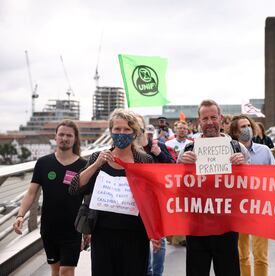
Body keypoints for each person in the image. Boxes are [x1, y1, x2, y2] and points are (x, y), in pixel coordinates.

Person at [69, 109, 160, 276]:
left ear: (134, 133)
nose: (121, 133)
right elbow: (74, 187)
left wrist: (155, 231)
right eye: (117, 129)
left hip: (135, 235)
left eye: (127, 129)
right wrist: (96, 164)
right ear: (110, 131)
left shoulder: (144, 160)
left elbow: (152, 198)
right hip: (103, 235)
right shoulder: (99, 157)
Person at [178, 99, 250, 276]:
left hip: (226, 225)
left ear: (221, 118)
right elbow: (177, 189)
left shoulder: (236, 147)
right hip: (196, 226)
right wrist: (182, 165)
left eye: (213, 117)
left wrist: (242, 166)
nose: (209, 122)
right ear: (199, 121)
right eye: (205, 118)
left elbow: (250, 186)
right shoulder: (188, 149)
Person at [13, 120, 87, 276]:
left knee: (66, 271)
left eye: (69, 135)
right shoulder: (43, 163)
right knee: (55, 269)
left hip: (73, 229)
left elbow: (89, 198)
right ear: (55, 136)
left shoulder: (83, 166)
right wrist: (21, 215)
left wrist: (88, 228)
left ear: (75, 139)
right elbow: (31, 192)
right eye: (61, 134)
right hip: (49, 228)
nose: (64, 138)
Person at [228, 115, 275, 276]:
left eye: (248, 125)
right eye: (242, 126)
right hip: (238, 210)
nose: (246, 128)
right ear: (235, 131)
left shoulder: (264, 151)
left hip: (260, 209)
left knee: (261, 256)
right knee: (241, 256)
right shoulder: (227, 153)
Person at [136, 115, 174, 276]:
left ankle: (156, 274)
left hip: (157, 201)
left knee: (159, 240)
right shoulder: (128, 148)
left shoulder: (158, 146)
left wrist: (159, 154)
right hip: (136, 202)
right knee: (139, 239)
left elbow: (172, 168)